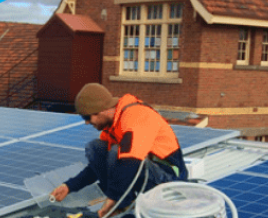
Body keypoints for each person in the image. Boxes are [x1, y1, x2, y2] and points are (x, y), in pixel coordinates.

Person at [50, 83, 187, 217]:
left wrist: (113, 198)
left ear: (101, 110)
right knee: (95, 148)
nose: (86, 122)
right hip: (142, 171)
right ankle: (124, 204)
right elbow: (96, 168)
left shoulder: (136, 115)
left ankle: (120, 203)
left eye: (87, 117)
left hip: (168, 177)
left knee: (117, 152)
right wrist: (69, 186)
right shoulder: (112, 127)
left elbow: (130, 161)